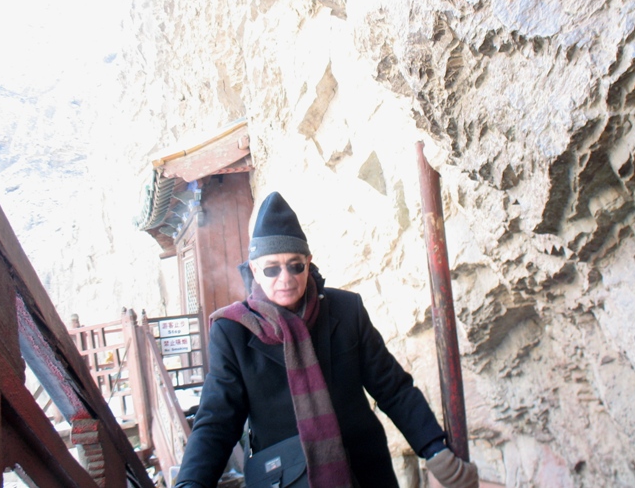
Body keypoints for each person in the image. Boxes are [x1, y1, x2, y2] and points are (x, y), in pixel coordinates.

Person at [174, 192, 478, 488]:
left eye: (295, 265)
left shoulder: (346, 311)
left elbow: (393, 388)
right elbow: (217, 420)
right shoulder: (233, 331)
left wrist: (434, 449)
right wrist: (190, 481)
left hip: (362, 473)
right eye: (271, 267)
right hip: (286, 477)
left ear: (309, 262)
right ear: (254, 269)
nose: (286, 277)